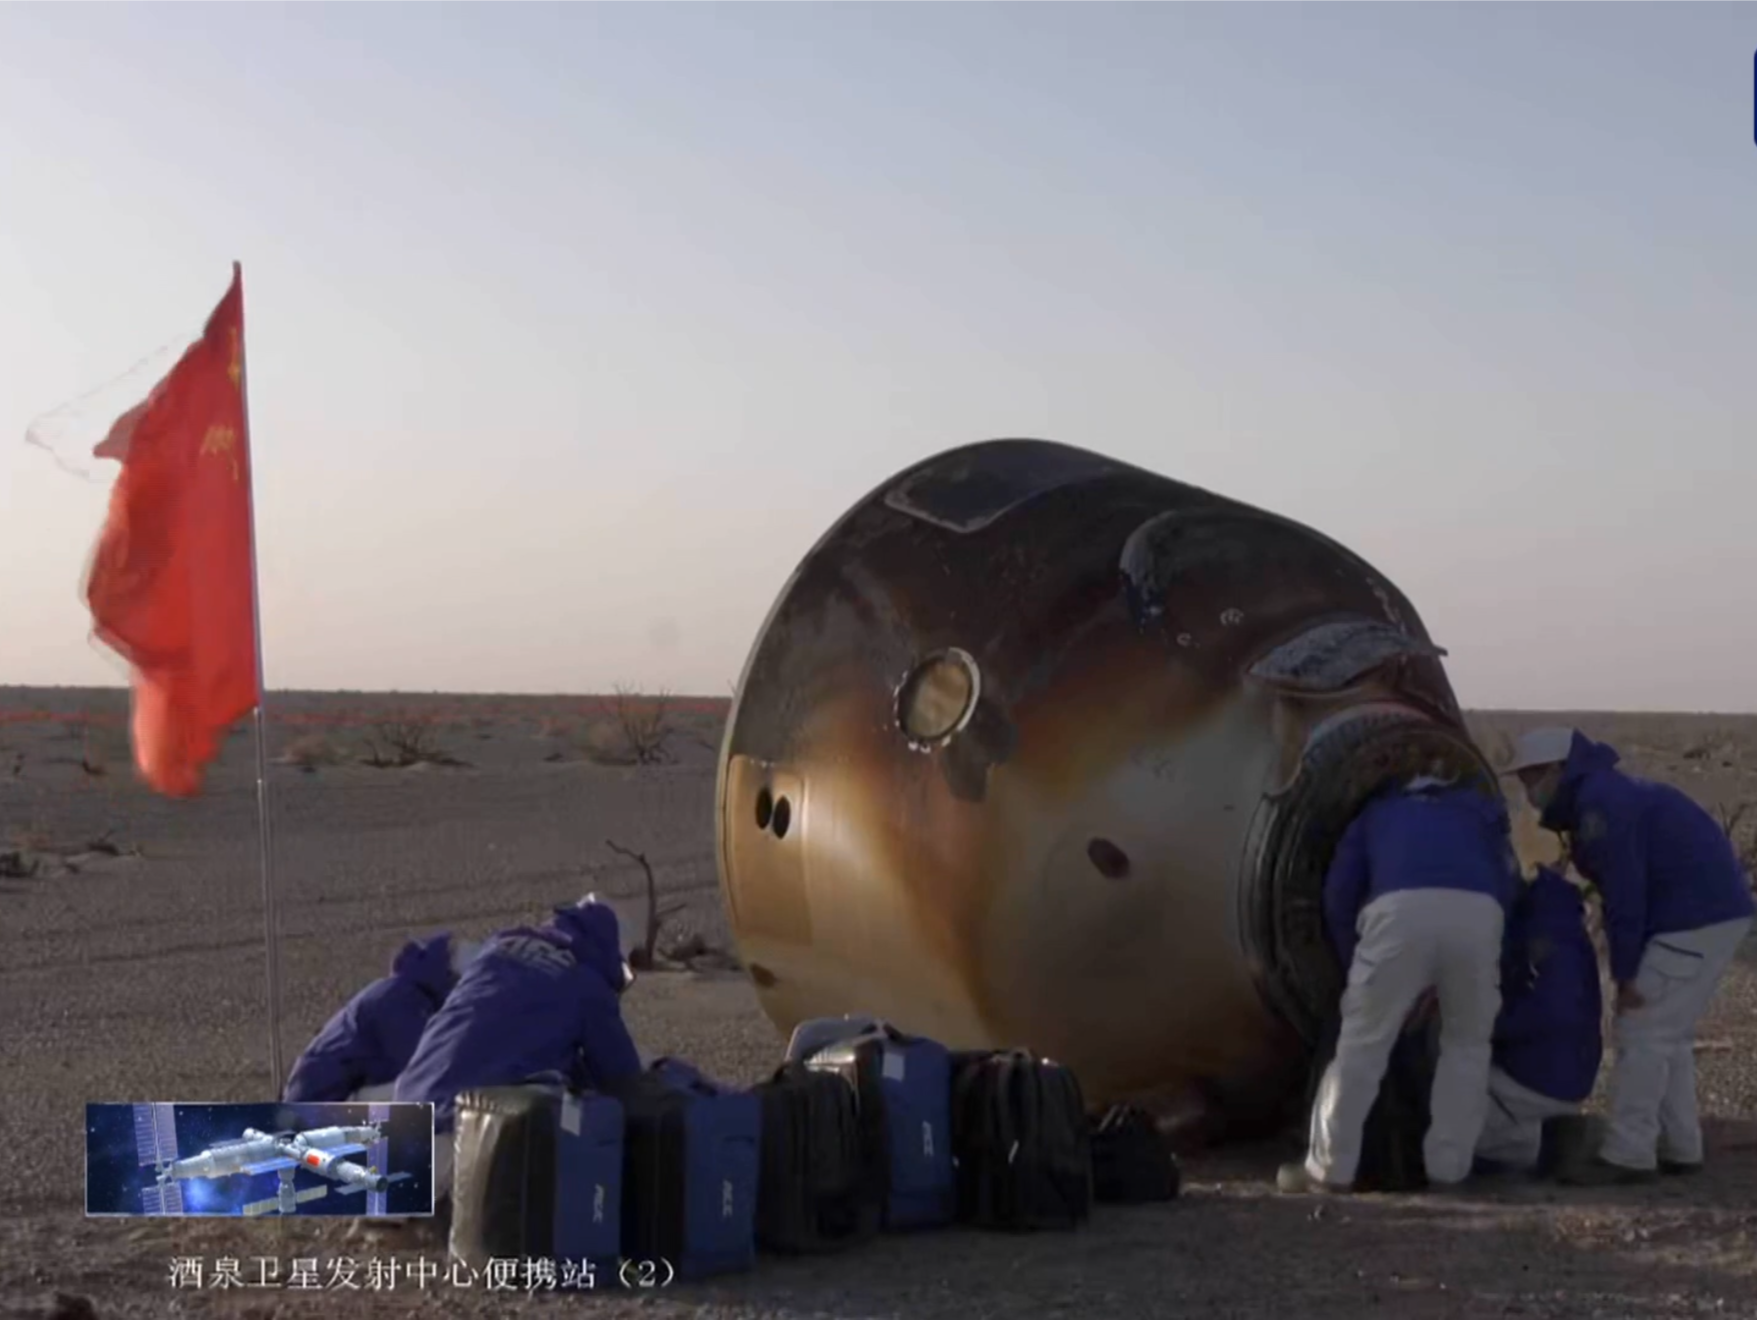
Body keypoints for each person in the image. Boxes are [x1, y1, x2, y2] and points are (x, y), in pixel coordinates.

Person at [1504, 727, 1755, 1184]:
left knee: (1641, 1032)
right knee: (1667, 1035)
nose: (1528, 789)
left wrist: (1625, 973)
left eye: (1533, 776)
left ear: (1559, 769)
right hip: (1712, 913)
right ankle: (1679, 1145)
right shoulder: (1605, 793)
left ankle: (1628, 1153)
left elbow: (1625, 896)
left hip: (1690, 920)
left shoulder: (1601, 806)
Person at [1278, 771, 1521, 1194]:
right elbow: (1507, 882)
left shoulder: (1378, 813)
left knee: (1361, 1046)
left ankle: (1329, 1170)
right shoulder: (1478, 815)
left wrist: (1353, 963)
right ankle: (1450, 1170)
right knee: (1467, 1047)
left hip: (1398, 915)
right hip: (1481, 915)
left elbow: (1339, 893)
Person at [393, 895, 645, 1198]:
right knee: (562, 1110)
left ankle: (373, 1196)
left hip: (403, 1113)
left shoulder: (496, 950)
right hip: (464, 1138)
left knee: (339, 1166)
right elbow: (622, 1076)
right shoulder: (586, 985)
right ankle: (435, 1205)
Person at [1474, 866, 1603, 1176]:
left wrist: (1488, 1027)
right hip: (1566, 1077)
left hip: (1539, 1077)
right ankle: (1548, 1135)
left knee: (1446, 1097)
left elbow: (1555, 1010)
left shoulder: (1542, 935)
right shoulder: (1570, 934)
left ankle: (1536, 1145)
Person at [282, 931, 480, 1104]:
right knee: (431, 1087)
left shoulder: (406, 994)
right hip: (323, 1102)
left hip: (326, 1096)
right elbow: (422, 1068)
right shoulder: (401, 1000)